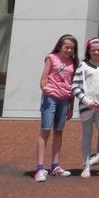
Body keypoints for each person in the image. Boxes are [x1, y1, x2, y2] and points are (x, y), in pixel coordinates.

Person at [35, 34, 79, 181]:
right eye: (66, 47)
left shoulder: (73, 62)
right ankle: (40, 168)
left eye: (72, 48)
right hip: (51, 98)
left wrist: (71, 105)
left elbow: (72, 84)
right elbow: (43, 78)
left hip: (65, 99)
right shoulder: (51, 58)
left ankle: (55, 166)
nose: (69, 50)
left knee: (59, 131)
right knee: (45, 130)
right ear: (60, 46)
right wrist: (44, 88)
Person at [72, 37, 99, 178]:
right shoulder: (83, 66)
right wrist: (86, 100)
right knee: (87, 135)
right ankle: (86, 166)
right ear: (88, 51)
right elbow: (75, 86)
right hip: (87, 107)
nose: (96, 52)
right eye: (93, 50)